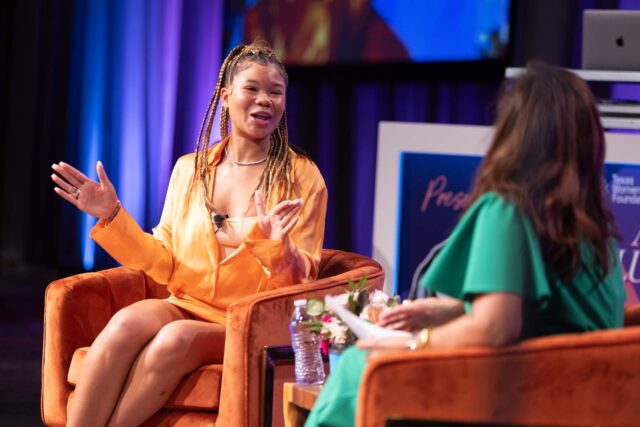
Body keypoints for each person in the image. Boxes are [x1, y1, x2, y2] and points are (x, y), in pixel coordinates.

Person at [305, 63, 625, 427]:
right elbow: (552, 317)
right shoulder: (598, 229)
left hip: (519, 401)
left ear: (514, 134)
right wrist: (452, 312)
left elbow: (495, 327)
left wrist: (413, 344)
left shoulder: (506, 207)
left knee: (357, 367)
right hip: (582, 403)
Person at [51, 40, 327, 427]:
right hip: (187, 301)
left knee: (175, 339)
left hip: (251, 322)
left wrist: (280, 249)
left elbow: (304, 283)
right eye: (252, 89)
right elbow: (163, 260)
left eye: (275, 92)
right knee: (125, 323)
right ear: (226, 96)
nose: (264, 100)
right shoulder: (190, 169)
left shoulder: (301, 177)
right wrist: (112, 214)